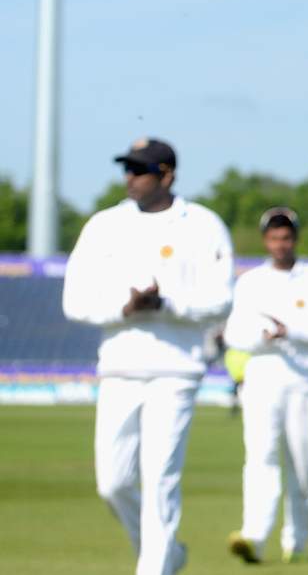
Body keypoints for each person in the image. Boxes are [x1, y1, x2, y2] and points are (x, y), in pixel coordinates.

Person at [62, 137, 235, 575]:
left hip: (177, 368)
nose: (130, 179)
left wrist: (167, 304)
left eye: (140, 171)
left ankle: (153, 568)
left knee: (161, 479)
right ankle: (165, 554)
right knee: (113, 483)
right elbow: (75, 301)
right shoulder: (104, 225)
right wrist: (125, 308)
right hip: (120, 365)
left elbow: (220, 300)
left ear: (168, 175)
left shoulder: (202, 224)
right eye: (128, 170)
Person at [224, 207, 308, 564]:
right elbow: (235, 334)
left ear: (295, 239)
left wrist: (291, 331)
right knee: (260, 457)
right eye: (273, 238)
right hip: (262, 377)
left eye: (286, 237)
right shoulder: (250, 282)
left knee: (301, 464)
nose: (280, 244)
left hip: (300, 379)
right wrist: (263, 336)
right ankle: (254, 534)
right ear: (265, 240)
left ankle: (296, 541)